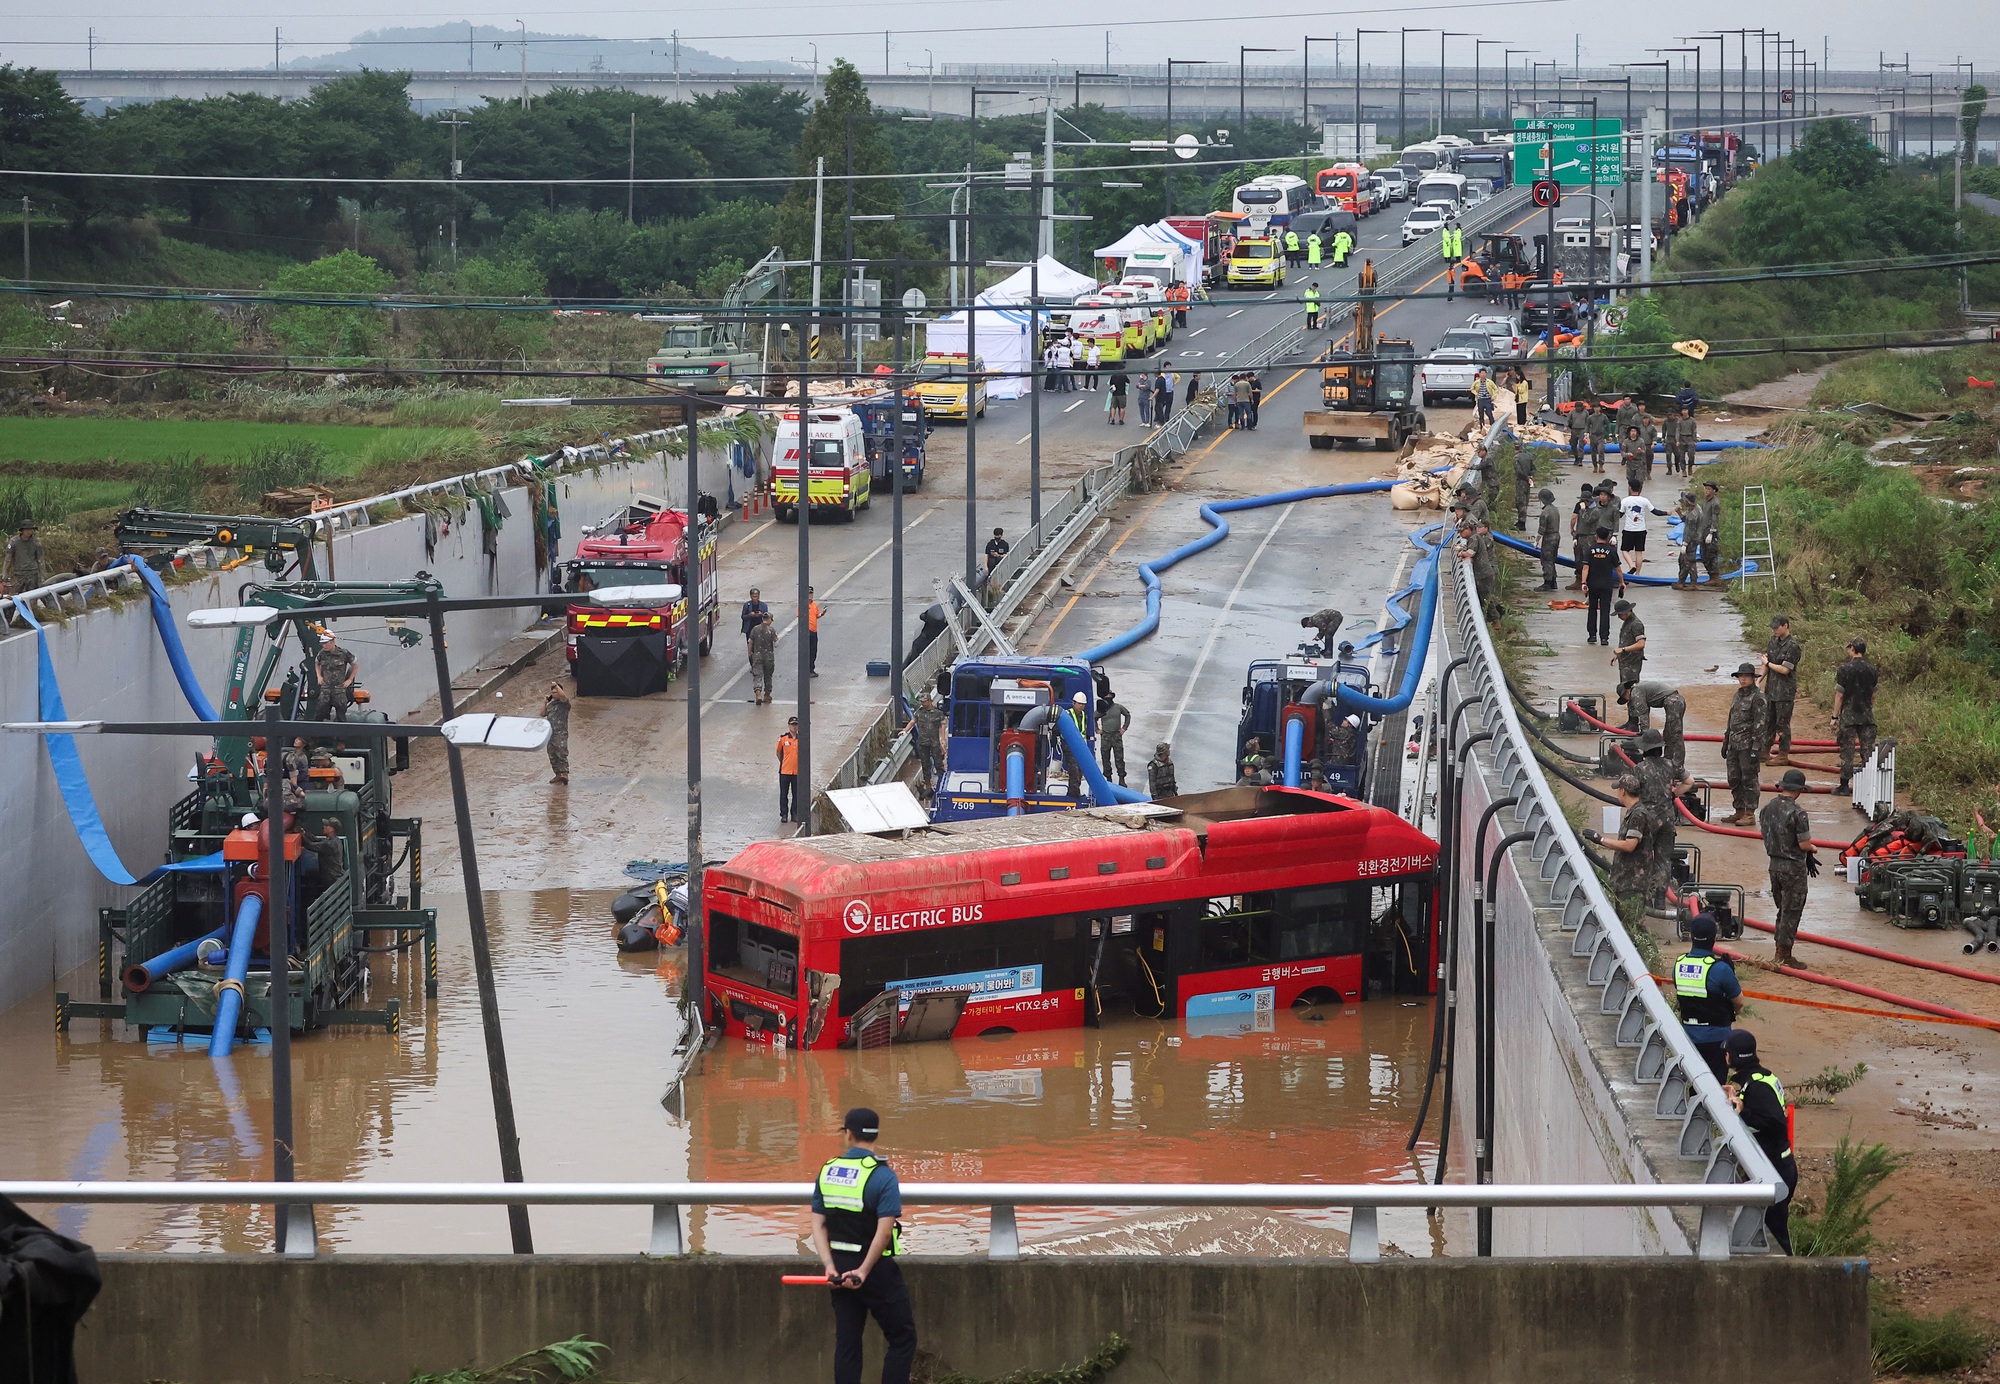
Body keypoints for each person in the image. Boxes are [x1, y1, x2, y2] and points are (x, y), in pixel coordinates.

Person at [812, 1107, 918, 1384]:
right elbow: (883, 1234)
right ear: (876, 1135)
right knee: (903, 1338)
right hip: (875, 1271)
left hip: (839, 1268)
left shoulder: (828, 1171)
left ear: (848, 1134)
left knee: (847, 1344)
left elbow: (817, 1225)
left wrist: (829, 1267)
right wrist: (863, 1271)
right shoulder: (883, 1176)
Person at [1723, 1030, 1799, 1255]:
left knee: (1777, 1237)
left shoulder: (1756, 1085)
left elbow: (1776, 1121)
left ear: (1731, 1057)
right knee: (1771, 1230)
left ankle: (1790, 1278)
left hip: (1776, 1170)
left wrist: (1743, 1112)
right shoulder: (1761, 1077)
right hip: (1780, 1166)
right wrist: (1736, 1096)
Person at [1759, 767, 1819, 968]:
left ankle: (1780, 949)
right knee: (1792, 910)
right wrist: (1812, 849)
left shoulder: (1767, 809)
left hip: (1774, 865)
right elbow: (1803, 845)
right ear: (1800, 789)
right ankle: (1784, 953)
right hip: (1793, 868)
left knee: (1782, 908)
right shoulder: (1798, 813)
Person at [1582, 773, 1662, 921]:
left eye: (1618, 789)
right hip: (1626, 881)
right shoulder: (1635, 812)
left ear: (1623, 791)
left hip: (1632, 882)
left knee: (1632, 925)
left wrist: (1600, 840)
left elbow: (1630, 845)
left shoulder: (1638, 815)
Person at [1673, 913, 1744, 1081]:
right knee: (1715, 1086)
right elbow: (1739, 1002)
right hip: (1716, 1038)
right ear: (1715, 937)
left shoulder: (1679, 964)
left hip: (1687, 1037)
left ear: (1690, 936)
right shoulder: (1720, 969)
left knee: (1692, 1083)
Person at [1722, 662, 1769, 826]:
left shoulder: (1758, 698)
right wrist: (1726, 740)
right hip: (1734, 744)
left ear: (1752, 678)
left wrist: (1756, 748)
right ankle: (1739, 810)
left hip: (1748, 745)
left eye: (1746, 677)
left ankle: (1750, 812)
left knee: (1749, 779)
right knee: (1734, 778)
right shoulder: (1737, 695)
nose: (1742, 679)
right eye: (1740, 676)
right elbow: (1731, 718)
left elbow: (1761, 724)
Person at [1832, 637, 1878, 794]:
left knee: (1847, 751)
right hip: (1867, 716)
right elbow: (1873, 694)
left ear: (1852, 649)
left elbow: (1839, 695)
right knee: (1868, 752)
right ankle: (1870, 786)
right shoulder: (1872, 670)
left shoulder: (1844, 669)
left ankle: (1844, 786)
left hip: (1849, 716)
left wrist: (1834, 717)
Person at [1762, 615, 1802, 763]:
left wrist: (1767, 664)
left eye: (1777, 627)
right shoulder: (1773, 642)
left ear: (1785, 626)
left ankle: (1783, 754)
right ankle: (1764, 750)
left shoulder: (1792, 646)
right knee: (1768, 722)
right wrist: (1759, 679)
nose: (1774, 630)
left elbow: (1785, 670)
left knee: (1782, 724)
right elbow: (1768, 663)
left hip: (1785, 692)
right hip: (1770, 690)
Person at [1582, 527, 1621, 646]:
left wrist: (1584, 582)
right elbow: (1618, 568)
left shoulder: (1589, 550)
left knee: (1592, 609)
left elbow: (1585, 568)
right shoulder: (1612, 550)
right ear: (1608, 537)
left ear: (1596, 536)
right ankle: (1604, 638)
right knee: (1605, 610)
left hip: (1593, 584)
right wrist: (1622, 582)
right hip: (1606, 584)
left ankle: (1592, 636)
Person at [311, 633, 358, 722]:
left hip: (339, 690)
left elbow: (355, 665)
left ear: (332, 641)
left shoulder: (343, 653)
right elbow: (316, 663)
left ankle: (341, 735)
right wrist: (319, 676)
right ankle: (317, 734)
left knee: (341, 716)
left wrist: (350, 679)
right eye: (322, 643)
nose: (323, 645)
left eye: (326, 643)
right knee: (320, 713)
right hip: (325, 689)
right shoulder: (321, 654)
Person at [905, 691, 944, 792]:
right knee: (925, 764)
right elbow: (913, 721)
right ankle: (928, 785)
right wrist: (905, 730)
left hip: (935, 743)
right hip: (923, 743)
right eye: (921, 702)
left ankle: (942, 783)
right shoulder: (919, 712)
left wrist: (943, 739)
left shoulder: (938, 713)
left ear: (930, 701)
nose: (923, 704)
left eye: (924, 701)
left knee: (938, 763)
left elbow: (942, 725)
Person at [1619, 482, 1659, 575]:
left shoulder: (1625, 500)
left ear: (1630, 488)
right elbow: (1655, 511)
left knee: (1625, 550)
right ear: (1640, 489)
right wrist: (1666, 513)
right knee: (1639, 552)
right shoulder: (1644, 500)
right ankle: (1638, 573)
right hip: (1641, 530)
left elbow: (1620, 514)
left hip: (1629, 530)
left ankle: (1631, 565)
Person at [1609, 598, 1646, 692]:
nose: (1619, 616)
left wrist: (1623, 649)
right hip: (1625, 662)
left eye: (1620, 614)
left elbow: (1641, 644)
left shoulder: (1636, 624)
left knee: (1630, 691)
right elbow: (1626, 640)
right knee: (1625, 689)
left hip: (1632, 663)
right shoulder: (1627, 622)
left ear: (1628, 611)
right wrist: (1618, 654)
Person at [1097, 688, 1132, 786]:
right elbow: (1094, 717)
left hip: (1116, 735)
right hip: (1106, 736)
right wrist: (1097, 729)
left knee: (1119, 758)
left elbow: (1127, 715)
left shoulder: (1118, 707)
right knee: (1105, 758)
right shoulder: (1101, 709)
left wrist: (1124, 728)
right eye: (1106, 695)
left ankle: (1121, 778)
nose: (1108, 697)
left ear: (1112, 696)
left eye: (1110, 695)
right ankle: (1108, 778)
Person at [540, 681, 571, 785]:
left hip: (560, 732)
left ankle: (564, 773)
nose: (554, 694)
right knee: (552, 754)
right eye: (552, 692)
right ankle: (558, 774)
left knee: (561, 752)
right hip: (550, 733)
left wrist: (555, 685)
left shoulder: (564, 703)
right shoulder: (551, 705)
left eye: (556, 692)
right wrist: (545, 702)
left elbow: (563, 695)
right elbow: (542, 714)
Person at [1062, 691, 1092, 799]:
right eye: (1079, 704)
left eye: (1083, 704)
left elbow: (1084, 730)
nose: (1081, 706)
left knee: (1080, 772)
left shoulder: (1084, 715)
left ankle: (1074, 792)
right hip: (1070, 747)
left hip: (1080, 747)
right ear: (1074, 703)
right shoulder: (1067, 714)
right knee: (1074, 771)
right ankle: (1073, 795)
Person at [1567, 481, 1596, 591]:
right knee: (1592, 559)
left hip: (1584, 536)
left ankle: (1580, 581)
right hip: (1594, 536)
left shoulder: (1580, 505)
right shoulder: (1597, 505)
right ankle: (1591, 580)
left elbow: (1574, 518)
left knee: (1580, 559)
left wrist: (1572, 530)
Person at [2, 520, 45, 595]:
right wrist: (5, 573)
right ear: (22, 530)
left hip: (32, 573)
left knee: (32, 596)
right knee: (14, 596)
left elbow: (40, 560)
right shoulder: (14, 541)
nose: (29, 532)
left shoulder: (36, 542)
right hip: (18, 574)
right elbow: (8, 559)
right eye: (27, 529)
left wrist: (42, 576)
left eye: (31, 529)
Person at [1675, 491, 1706, 590]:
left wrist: (1685, 543)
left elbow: (1690, 530)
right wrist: (1680, 514)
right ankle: (1684, 581)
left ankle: (1690, 582)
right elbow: (1686, 521)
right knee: (1685, 560)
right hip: (1693, 538)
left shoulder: (1694, 514)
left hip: (1692, 540)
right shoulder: (1694, 509)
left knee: (1688, 561)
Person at [1534, 487, 1562, 591]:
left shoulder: (1545, 512)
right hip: (1556, 536)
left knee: (1546, 560)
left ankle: (1547, 582)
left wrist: (1536, 541)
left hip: (1549, 537)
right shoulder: (1555, 509)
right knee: (1552, 559)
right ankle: (1553, 580)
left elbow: (1542, 529)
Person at [749, 612, 778, 706]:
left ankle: (758, 694)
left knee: (757, 675)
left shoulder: (755, 629)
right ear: (769, 619)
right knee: (768, 676)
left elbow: (750, 642)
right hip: (768, 656)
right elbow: (776, 643)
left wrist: (750, 653)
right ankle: (767, 694)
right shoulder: (771, 630)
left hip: (757, 655)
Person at [777, 717, 801, 823]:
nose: (794, 727)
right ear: (788, 725)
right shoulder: (783, 738)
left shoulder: (801, 738)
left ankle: (794, 813)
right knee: (784, 794)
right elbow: (778, 752)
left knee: (796, 794)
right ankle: (784, 814)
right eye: (792, 725)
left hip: (797, 771)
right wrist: (783, 762)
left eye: (796, 725)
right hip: (785, 771)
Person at [1698, 481, 1723, 584]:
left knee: (1711, 555)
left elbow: (1714, 519)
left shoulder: (1715, 503)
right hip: (1703, 531)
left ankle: (1715, 577)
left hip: (1710, 532)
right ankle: (1711, 576)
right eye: (1705, 489)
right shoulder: (1706, 501)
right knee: (1703, 555)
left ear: (1714, 491)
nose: (1706, 491)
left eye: (1708, 489)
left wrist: (1711, 533)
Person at [1511, 445, 1536, 530]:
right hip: (1528, 482)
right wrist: (1530, 476)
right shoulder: (1528, 456)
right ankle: (1521, 521)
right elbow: (1534, 469)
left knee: (1520, 502)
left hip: (1521, 482)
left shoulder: (1516, 458)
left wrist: (1525, 477)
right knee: (1525, 501)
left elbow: (1518, 471)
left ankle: (1521, 523)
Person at [1584, 398, 1611, 474]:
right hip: (1593, 436)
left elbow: (1608, 425)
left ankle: (1601, 465)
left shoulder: (1603, 417)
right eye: (1595, 407)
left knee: (1601, 450)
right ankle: (1595, 465)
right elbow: (1587, 425)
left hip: (1601, 436)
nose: (1596, 409)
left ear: (1600, 408)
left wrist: (1609, 434)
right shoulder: (1590, 417)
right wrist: (1586, 433)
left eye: (1598, 407)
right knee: (1593, 452)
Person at [740, 588, 769, 655]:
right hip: (750, 629)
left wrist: (761, 614)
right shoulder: (747, 605)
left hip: (760, 629)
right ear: (751, 596)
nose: (755, 598)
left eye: (756, 596)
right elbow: (743, 617)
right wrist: (750, 615)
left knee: (760, 646)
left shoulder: (763, 605)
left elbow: (767, 617)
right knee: (751, 647)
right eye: (754, 596)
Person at [805, 586, 823, 677]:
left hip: (814, 630)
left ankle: (811, 669)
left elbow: (816, 615)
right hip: (807, 630)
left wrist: (821, 614)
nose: (810, 596)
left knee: (813, 651)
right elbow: (799, 615)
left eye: (811, 594)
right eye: (808, 594)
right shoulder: (803, 605)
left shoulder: (814, 605)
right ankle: (807, 669)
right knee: (808, 651)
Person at [1566, 402, 1589, 466]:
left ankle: (1580, 459)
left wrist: (1587, 431)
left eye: (1579, 407)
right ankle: (1576, 457)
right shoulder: (1572, 412)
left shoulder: (1585, 412)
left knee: (1581, 445)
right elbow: (1568, 419)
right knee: (1573, 444)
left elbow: (1588, 422)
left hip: (1582, 429)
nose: (1578, 409)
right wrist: (1566, 426)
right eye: (1577, 407)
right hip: (1574, 429)